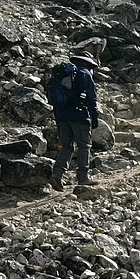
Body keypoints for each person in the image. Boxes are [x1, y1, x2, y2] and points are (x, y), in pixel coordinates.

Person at [49, 53, 99, 189]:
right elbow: (91, 100)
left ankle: (57, 175)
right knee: (84, 146)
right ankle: (83, 177)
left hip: (61, 116)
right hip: (79, 116)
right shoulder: (85, 74)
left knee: (67, 146)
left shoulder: (62, 74)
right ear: (88, 64)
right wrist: (94, 119)